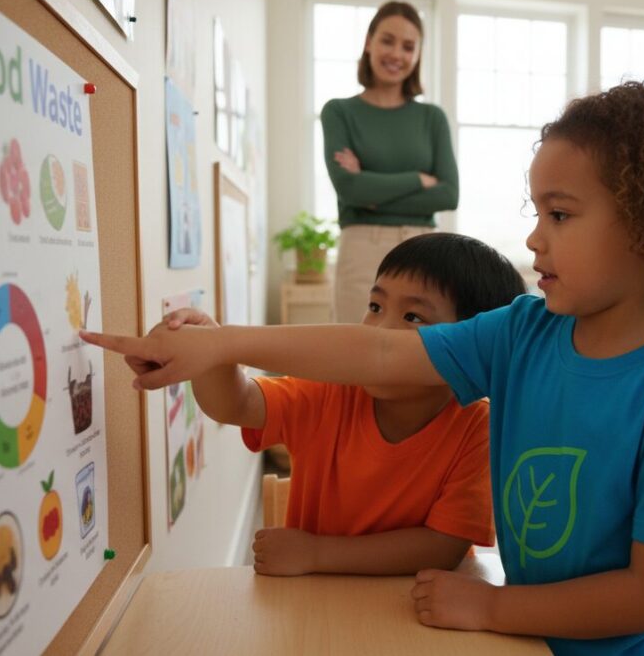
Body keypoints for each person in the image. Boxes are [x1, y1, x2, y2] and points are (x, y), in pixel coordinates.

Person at [84, 80, 644, 655]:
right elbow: (378, 353)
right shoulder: (525, 333)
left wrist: (490, 608)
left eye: (560, 213)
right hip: (532, 643)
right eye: (536, 211)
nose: (533, 236)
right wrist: (222, 344)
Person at [171, 233, 524, 576]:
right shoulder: (331, 390)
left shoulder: (479, 426)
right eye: (375, 306)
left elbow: (442, 547)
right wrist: (211, 347)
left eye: (413, 317)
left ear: (468, 351)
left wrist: (316, 553)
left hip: (415, 609)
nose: (378, 329)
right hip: (315, 605)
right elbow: (235, 404)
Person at [321, 1, 458, 323]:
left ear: (417, 55)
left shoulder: (431, 118)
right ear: (369, 42)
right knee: (354, 353)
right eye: (387, 40)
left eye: (408, 46)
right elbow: (350, 190)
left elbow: (449, 194)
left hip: (424, 246)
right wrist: (418, 179)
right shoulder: (339, 112)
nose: (397, 53)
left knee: (416, 352)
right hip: (361, 247)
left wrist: (372, 188)